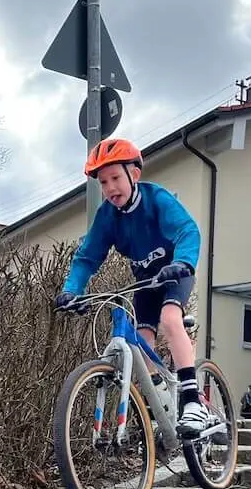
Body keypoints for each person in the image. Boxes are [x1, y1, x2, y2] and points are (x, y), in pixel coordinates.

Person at [55, 137, 211, 438]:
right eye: (103, 182)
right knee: (140, 343)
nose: (110, 187)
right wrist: (72, 290)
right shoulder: (107, 218)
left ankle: (192, 402)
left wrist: (183, 262)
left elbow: (187, 229)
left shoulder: (157, 199)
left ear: (134, 174)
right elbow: (87, 257)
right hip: (145, 282)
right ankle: (158, 403)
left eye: (115, 178)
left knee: (169, 319)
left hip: (174, 273)